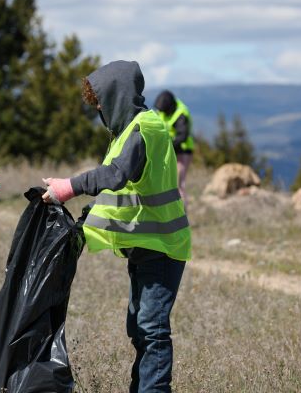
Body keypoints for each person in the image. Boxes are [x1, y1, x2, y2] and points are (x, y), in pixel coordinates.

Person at [41, 60, 191, 393]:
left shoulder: (144, 129)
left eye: (102, 106)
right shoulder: (128, 132)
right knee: (139, 328)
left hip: (163, 247)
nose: (101, 114)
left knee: (152, 331)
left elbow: (114, 175)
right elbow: (125, 191)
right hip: (145, 245)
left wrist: (69, 187)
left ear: (117, 98)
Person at [153, 90, 194, 209]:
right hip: (168, 149)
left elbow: (182, 136)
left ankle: (182, 216)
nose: (161, 112)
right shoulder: (162, 109)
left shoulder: (181, 114)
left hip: (183, 151)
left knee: (178, 184)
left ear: (169, 107)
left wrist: (167, 145)